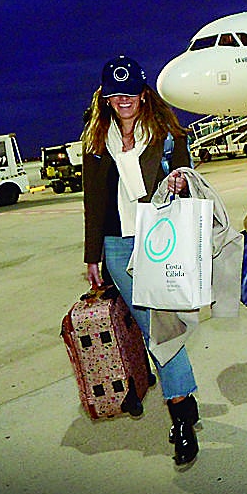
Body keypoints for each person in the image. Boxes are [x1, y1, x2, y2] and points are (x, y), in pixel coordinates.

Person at [82, 55, 201, 466]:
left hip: (158, 240)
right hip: (117, 244)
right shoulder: (97, 140)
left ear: (143, 93)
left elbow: (189, 179)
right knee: (153, 328)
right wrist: (92, 255)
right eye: (116, 94)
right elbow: (94, 201)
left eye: (130, 92)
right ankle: (183, 404)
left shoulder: (167, 134)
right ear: (105, 97)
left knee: (160, 328)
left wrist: (181, 181)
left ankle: (181, 416)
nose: (123, 100)